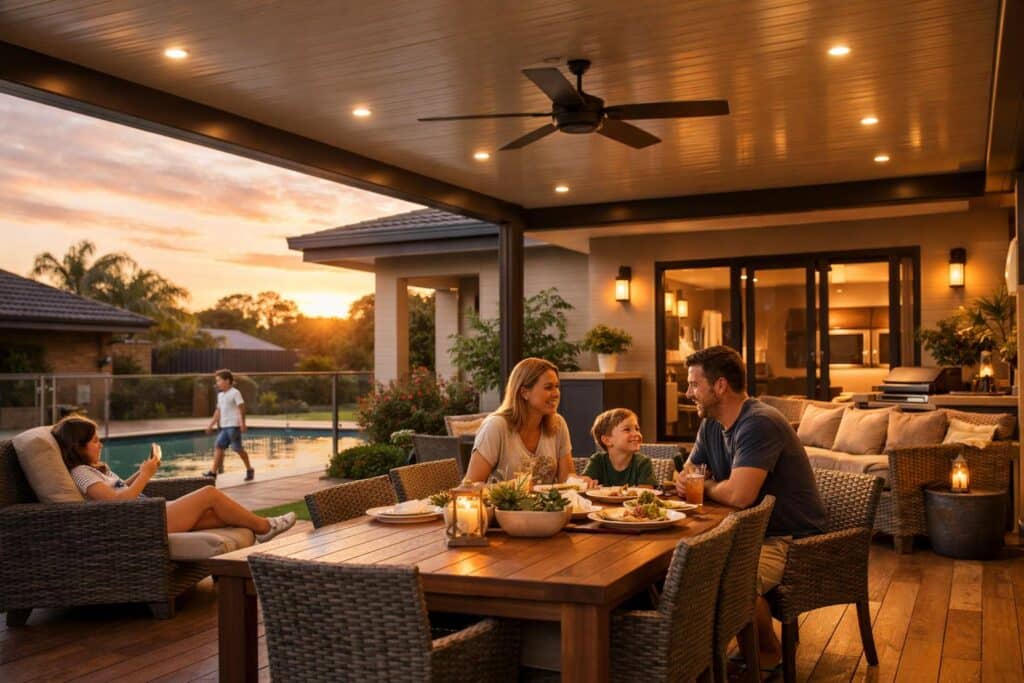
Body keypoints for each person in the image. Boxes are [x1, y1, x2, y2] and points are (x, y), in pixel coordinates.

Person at [674, 345, 826, 674]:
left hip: (787, 537)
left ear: (720, 386)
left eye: (694, 385)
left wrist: (707, 486)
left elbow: (740, 495)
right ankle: (697, 657)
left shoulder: (759, 423)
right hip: (743, 530)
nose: (688, 393)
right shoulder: (711, 424)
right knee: (685, 572)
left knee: (733, 578)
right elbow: (687, 476)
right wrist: (703, 484)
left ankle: (769, 655)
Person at [52, 415, 295, 542]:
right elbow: (117, 503)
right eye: (95, 441)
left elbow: (120, 489)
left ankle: (258, 530)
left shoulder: (93, 470)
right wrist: (146, 476)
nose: (100, 444)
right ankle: (265, 527)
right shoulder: (81, 473)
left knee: (219, 515)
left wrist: (141, 471)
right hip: (141, 522)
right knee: (208, 494)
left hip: (146, 513)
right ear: (78, 446)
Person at [465, 357, 582, 485]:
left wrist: (579, 481)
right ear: (524, 392)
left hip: (548, 505)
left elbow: (566, 479)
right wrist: (512, 487)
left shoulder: (557, 424)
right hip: (501, 505)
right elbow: (470, 486)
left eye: (557, 387)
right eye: (548, 387)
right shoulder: (496, 427)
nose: (556, 394)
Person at [582, 408, 656, 486]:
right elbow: (584, 484)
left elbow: (646, 493)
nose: (636, 433)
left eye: (637, 429)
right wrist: (585, 482)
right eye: (627, 429)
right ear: (607, 440)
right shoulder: (598, 461)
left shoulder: (643, 463)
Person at [204, 369, 254, 481]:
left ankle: (249, 469)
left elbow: (241, 409)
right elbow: (218, 412)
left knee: (237, 449)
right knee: (218, 446)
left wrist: (242, 423)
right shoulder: (220, 395)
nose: (217, 383)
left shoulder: (235, 393)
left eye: (219, 380)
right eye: (216, 381)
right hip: (224, 427)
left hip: (233, 427)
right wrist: (210, 425)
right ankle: (213, 473)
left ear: (227, 381)